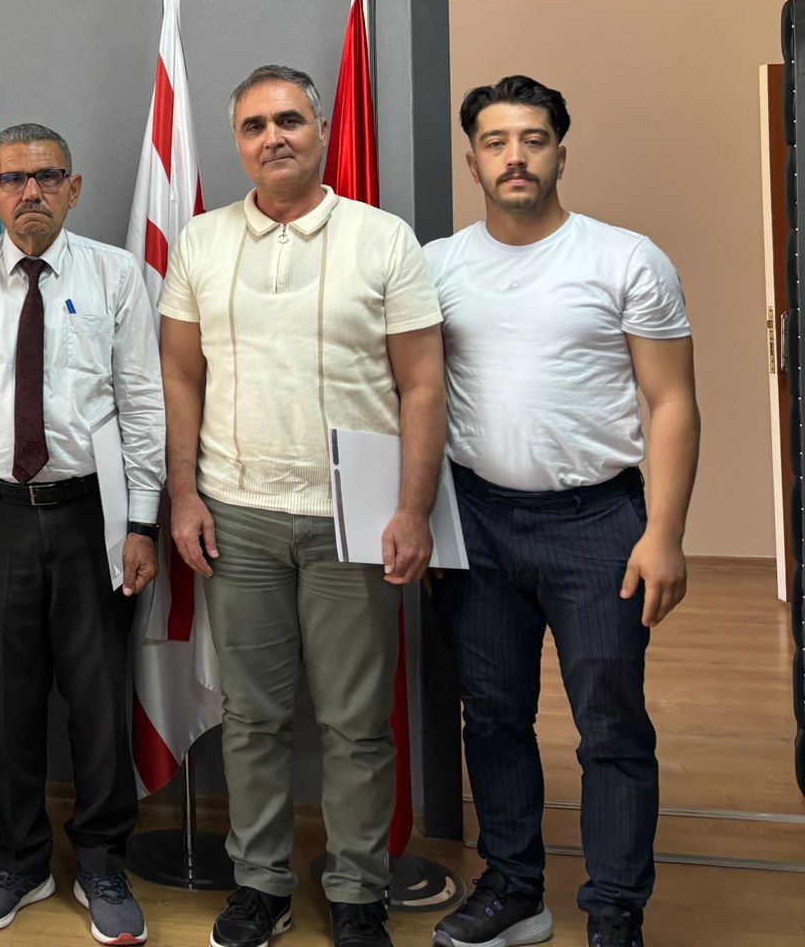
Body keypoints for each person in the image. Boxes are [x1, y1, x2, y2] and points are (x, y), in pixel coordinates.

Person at [160, 65, 446, 947]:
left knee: (356, 725)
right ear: (237, 142)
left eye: (288, 120)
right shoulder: (201, 242)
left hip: (354, 517)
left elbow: (422, 383)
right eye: (254, 126)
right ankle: (262, 885)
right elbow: (180, 373)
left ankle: (358, 891)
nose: (272, 137)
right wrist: (183, 493)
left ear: (320, 129)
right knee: (253, 718)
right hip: (235, 513)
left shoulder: (383, 239)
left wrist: (414, 509)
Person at [427, 75, 699, 947]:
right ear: (472, 160)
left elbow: (672, 403)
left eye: (533, 139)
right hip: (475, 522)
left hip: (599, 525)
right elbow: (411, 397)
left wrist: (664, 534)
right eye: (496, 141)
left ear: (560, 154)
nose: (515, 156)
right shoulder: (438, 267)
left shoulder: (626, 260)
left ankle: (615, 912)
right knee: (492, 715)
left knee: (610, 724)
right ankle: (514, 890)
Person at [0, 121, 166, 945]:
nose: (31, 192)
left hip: (95, 513)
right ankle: (19, 862)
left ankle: (102, 862)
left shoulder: (116, 275)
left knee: (98, 700)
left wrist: (142, 523)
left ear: (74, 188)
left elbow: (142, 402)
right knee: (10, 701)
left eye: (48, 176)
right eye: (14, 179)